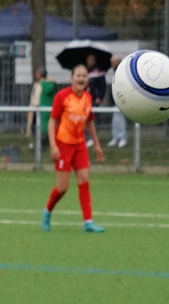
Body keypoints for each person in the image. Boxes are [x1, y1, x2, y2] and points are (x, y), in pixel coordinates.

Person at [41, 64, 105, 234]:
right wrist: (53, 145)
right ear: (71, 78)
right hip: (63, 144)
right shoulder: (62, 96)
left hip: (79, 145)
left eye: (84, 76)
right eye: (78, 75)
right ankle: (47, 211)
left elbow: (89, 121)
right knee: (62, 187)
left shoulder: (88, 98)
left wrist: (96, 144)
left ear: (87, 80)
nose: (81, 78)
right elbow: (52, 121)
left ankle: (88, 222)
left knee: (84, 180)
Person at [27, 68, 56, 148]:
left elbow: (47, 91)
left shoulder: (48, 83)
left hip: (43, 108)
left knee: (44, 126)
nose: (36, 75)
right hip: (34, 108)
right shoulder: (37, 84)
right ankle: (36, 141)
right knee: (33, 125)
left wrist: (43, 83)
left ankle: (45, 143)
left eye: (37, 73)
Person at [106, 55, 128, 148]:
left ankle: (122, 138)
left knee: (120, 120)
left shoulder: (122, 73)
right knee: (114, 120)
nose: (111, 64)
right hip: (114, 100)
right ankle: (115, 137)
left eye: (113, 62)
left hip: (120, 100)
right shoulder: (115, 72)